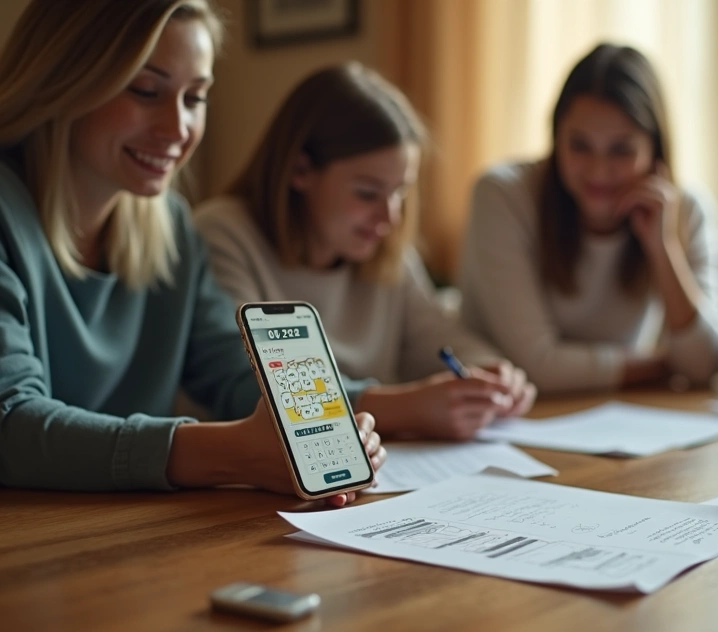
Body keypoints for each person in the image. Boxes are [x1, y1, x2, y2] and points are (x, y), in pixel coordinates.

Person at [0, 0, 383, 506]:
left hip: (119, 533)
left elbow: (235, 371)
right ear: (63, 78)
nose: (177, 130)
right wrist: (229, 453)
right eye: (147, 91)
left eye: (194, 98)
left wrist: (340, 424)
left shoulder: (169, 224)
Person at [195, 63, 536, 442]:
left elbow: (437, 338)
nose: (390, 216)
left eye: (400, 192)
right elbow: (250, 388)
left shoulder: (384, 248)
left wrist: (490, 374)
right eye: (368, 193)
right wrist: (408, 408)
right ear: (300, 170)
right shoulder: (223, 233)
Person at [458, 44, 718, 394]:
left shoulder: (687, 209)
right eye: (579, 146)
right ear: (556, 138)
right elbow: (536, 365)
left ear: (655, 150)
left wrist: (663, 250)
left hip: (614, 415)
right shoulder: (503, 195)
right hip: (512, 420)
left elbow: (707, 365)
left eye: (621, 150)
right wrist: (659, 365)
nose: (598, 171)